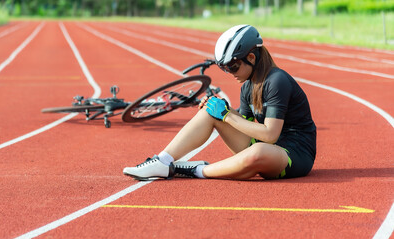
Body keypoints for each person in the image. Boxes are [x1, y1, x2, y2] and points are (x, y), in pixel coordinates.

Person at [123, 24, 316, 180]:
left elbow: (270, 134)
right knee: (211, 110)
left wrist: (226, 115)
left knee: (258, 152)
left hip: (294, 154)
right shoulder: (248, 87)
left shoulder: (277, 80)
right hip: (268, 147)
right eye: (224, 69)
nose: (229, 73)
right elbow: (244, 125)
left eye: (232, 67)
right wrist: (218, 110)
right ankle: (163, 162)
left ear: (251, 57)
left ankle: (198, 170)